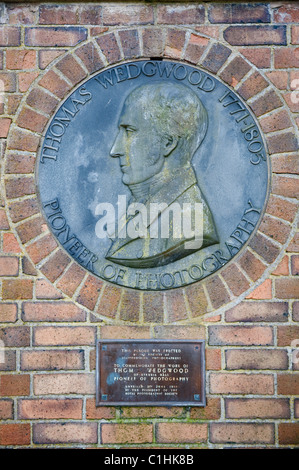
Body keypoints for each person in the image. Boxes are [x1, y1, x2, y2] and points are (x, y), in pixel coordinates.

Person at [105, 82, 218, 268]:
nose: (115, 150)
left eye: (129, 132)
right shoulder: (140, 204)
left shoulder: (189, 223)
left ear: (168, 143)